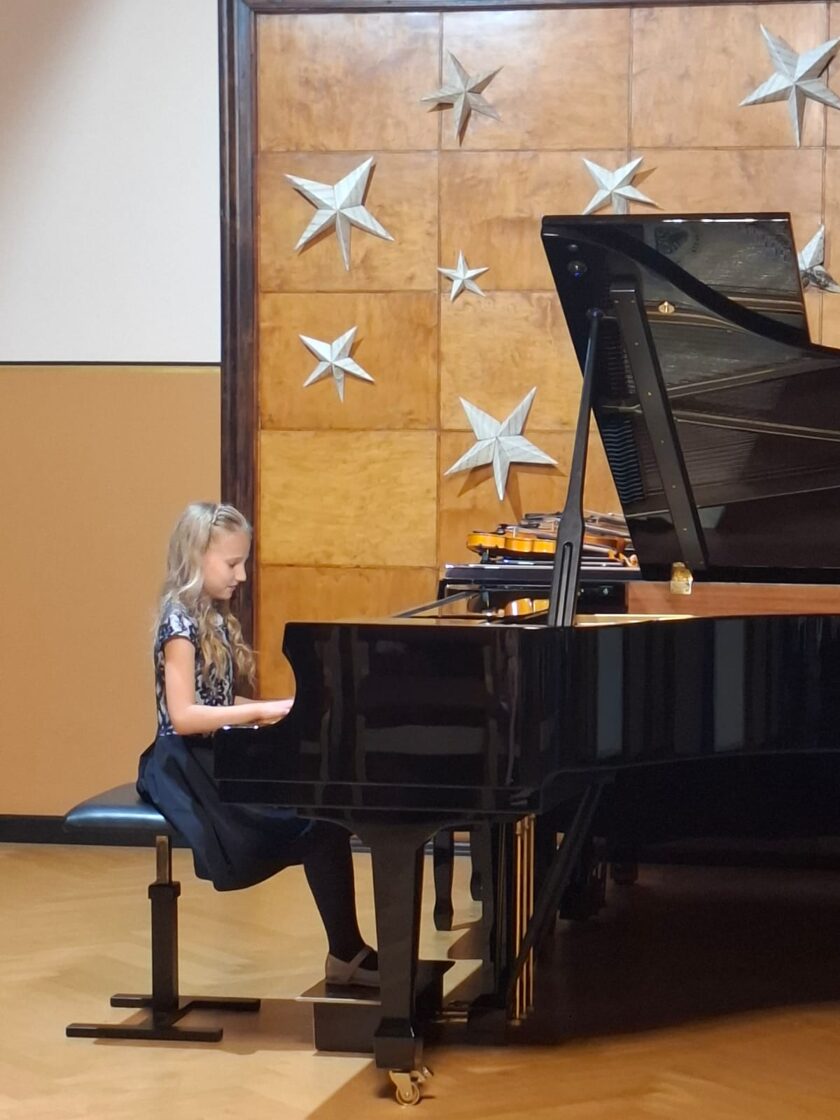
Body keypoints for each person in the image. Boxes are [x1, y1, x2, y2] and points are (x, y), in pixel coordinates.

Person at [137, 501, 377, 986]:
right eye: (232, 563)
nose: (242, 575)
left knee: (325, 813)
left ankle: (346, 952)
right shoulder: (178, 623)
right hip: (185, 768)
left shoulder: (213, 617)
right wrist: (260, 712)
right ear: (197, 557)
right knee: (315, 821)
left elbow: (218, 701)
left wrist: (278, 708)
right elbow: (184, 716)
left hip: (216, 754)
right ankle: (346, 954)